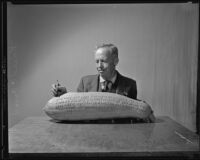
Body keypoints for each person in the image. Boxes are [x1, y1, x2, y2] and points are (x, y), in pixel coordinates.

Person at [51, 43, 155, 122]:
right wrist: (64, 96)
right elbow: (75, 110)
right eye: (97, 61)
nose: (99, 66)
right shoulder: (85, 82)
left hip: (119, 140)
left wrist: (144, 111)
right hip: (89, 138)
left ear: (115, 61)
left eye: (103, 61)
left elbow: (133, 114)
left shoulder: (129, 84)